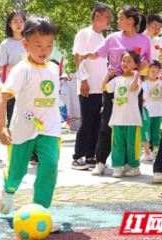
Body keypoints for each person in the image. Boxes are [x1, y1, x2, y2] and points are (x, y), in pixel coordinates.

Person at [0, 15, 62, 232]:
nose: (44, 50)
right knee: (17, 172)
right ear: (25, 44)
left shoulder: (54, 68)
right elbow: (3, 96)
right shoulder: (21, 69)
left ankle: (41, 209)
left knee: (50, 165)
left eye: (49, 45)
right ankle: (8, 190)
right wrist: (1, 126)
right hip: (22, 130)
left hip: (49, 130)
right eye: (38, 45)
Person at [81, 5, 152, 175]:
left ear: (130, 20)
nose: (116, 20)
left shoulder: (144, 40)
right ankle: (101, 161)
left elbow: (147, 62)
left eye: (120, 18)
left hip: (134, 86)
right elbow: (97, 53)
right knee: (107, 123)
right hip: (114, 85)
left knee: (131, 125)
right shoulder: (112, 38)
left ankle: (129, 164)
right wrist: (86, 54)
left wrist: (141, 68)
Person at [72, 3, 112, 170]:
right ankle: (78, 157)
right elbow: (78, 58)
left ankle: (90, 156)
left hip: (100, 87)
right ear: (97, 15)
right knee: (87, 122)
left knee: (97, 123)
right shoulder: (84, 34)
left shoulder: (102, 38)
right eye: (107, 17)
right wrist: (83, 81)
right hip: (87, 86)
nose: (110, 21)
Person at [102, 51, 142, 177]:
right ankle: (117, 167)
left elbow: (132, 88)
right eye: (123, 61)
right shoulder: (117, 80)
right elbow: (103, 88)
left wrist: (136, 75)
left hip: (132, 119)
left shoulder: (137, 80)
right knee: (117, 144)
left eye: (129, 61)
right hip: (117, 119)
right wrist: (108, 75)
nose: (125, 63)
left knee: (132, 145)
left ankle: (134, 167)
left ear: (136, 64)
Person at [0, 10, 27, 127]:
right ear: (9, 24)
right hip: (13, 88)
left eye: (21, 21)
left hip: (29, 86)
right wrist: (20, 64)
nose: (19, 24)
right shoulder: (5, 44)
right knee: (14, 120)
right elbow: (0, 69)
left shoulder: (29, 41)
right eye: (15, 21)